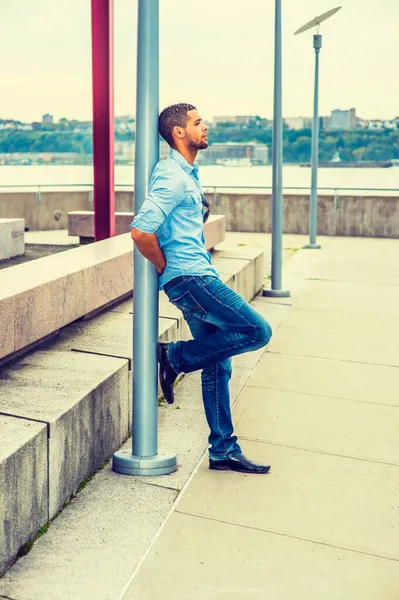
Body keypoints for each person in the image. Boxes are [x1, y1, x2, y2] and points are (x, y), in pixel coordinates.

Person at [130, 103, 272, 474]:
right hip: (191, 278)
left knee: (218, 364)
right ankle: (174, 357)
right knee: (258, 330)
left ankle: (223, 450)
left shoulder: (189, 174)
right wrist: (166, 266)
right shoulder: (172, 176)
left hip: (195, 275)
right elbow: (141, 231)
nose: (205, 126)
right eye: (197, 123)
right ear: (178, 132)